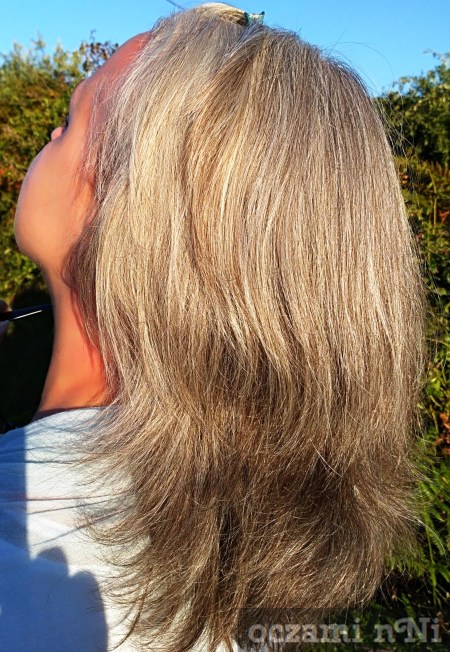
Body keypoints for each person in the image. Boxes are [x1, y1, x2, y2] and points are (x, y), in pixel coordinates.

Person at [0, 3, 429, 651]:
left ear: (126, 208)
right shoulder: (237, 550)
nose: (52, 134)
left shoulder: (21, 564)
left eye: (74, 116)